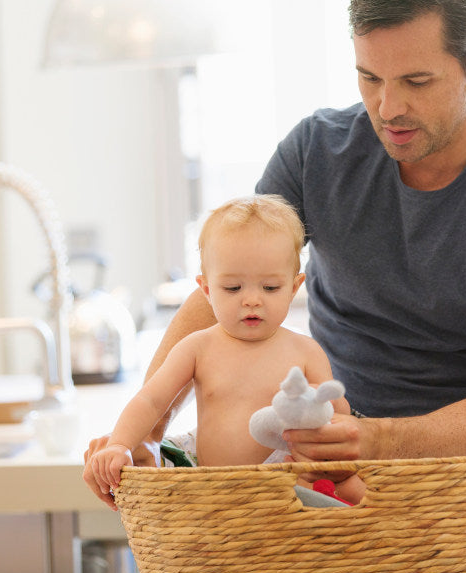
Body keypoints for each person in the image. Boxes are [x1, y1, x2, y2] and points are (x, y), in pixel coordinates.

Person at [85, 0, 466, 573]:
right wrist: (146, 438)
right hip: (327, 497)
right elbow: (222, 286)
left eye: (416, 82)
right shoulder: (316, 152)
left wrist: (371, 440)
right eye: (368, 77)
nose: (387, 107)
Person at [86, 194, 365, 507]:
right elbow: (151, 400)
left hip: (288, 488)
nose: (251, 300)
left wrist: (316, 401)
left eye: (270, 287)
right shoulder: (197, 347)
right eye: (233, 288)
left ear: (294, 287)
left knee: (353, 485)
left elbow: (338, 415)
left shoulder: (305, 351)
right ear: (206, 289)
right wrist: (121, 443)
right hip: (217, 492)